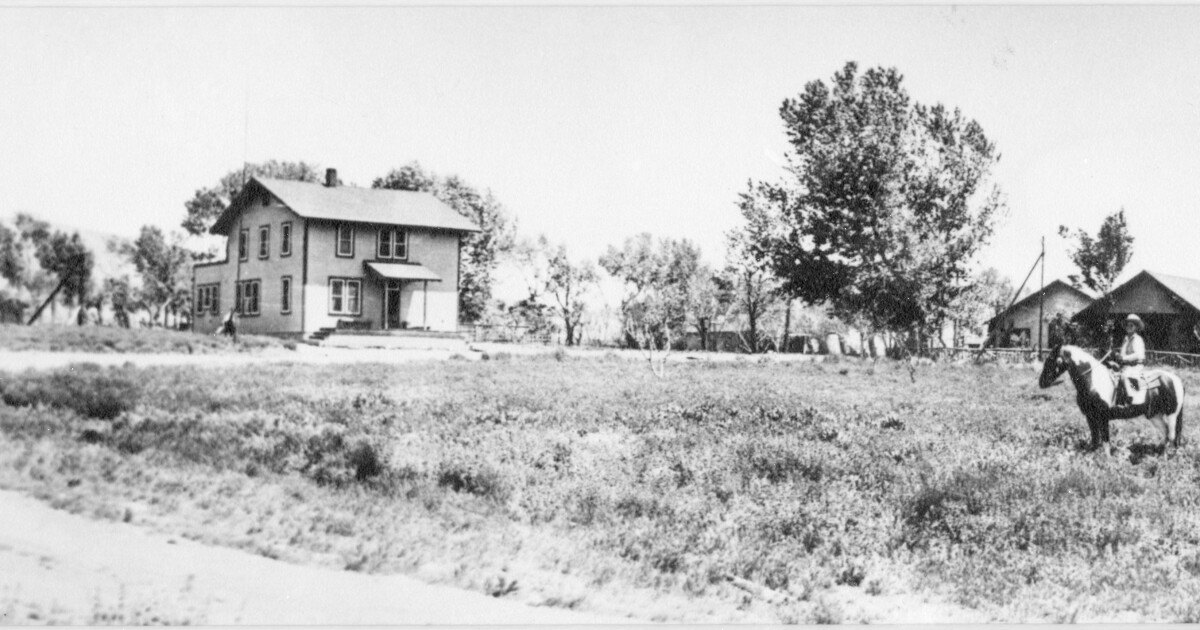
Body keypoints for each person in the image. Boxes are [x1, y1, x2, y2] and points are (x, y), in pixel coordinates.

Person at [1114, 314, 1146, 406]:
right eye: (1127, 325)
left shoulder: (1137, 339)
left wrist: (1123, 358)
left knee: (1124, 376)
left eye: (1131, 325)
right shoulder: (1126, 339)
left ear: (1136, 327)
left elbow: (1137, 354)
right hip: (1126, 366)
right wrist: (1118, 356)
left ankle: (1130, 399)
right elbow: (1122, 354)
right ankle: (1117, 399)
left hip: (1136, 366)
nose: (1129, 327)